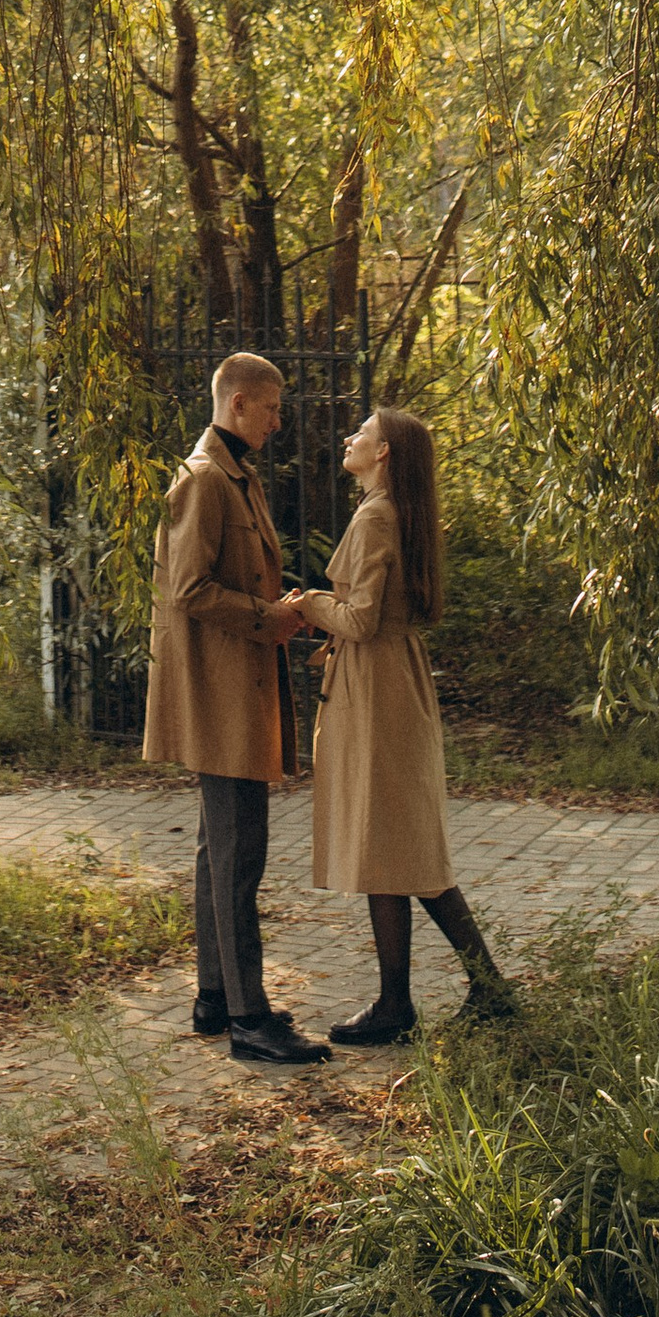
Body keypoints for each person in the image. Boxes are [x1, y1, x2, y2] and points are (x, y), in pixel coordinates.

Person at [299, 402, 515, 1043]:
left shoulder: (374, 516)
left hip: (377, 689)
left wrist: (309, 605)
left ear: (385, 451)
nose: (350, 437)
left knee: (390, 844)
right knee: (398, 844)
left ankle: (410, 1004)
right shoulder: (402, 514)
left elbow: (359, 620)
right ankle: (475, 990)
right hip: (397, 680)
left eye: (362, 432)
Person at [141, 350, 332, 1064]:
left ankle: (218, 998)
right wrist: (270, 617)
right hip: (221, 696)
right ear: (240, 403)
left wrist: (273, 612)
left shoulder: (235, 478)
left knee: (219, 849)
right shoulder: (203, 482)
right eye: (274, 408)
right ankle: (249, 1020)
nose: (280, 422)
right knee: (236, 852)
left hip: (236, 689)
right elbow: (189, 591)